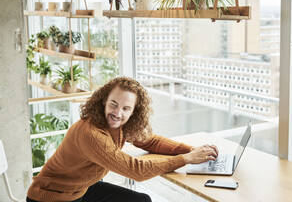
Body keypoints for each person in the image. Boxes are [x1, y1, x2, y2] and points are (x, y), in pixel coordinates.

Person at [27, 77, 218, 202]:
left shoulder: (120, 125)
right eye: (114, 104)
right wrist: (186, 159)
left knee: (141, 201)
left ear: (134, 111)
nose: (118, 113)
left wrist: (192, 151)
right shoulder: (91, 133)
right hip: (51, 197)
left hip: (81, 189)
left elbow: (151, 141)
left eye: (126, 108)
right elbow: (135, 170)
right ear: (103, 101)